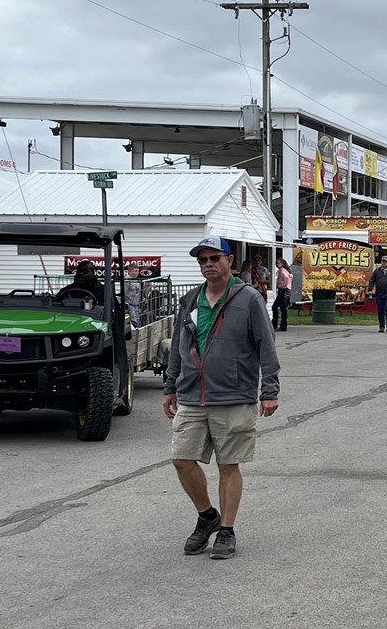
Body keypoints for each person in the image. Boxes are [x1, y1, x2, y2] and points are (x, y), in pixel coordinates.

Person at [163, 236, 280, 560]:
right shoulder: (189, 301)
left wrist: (269, 390)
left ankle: (226, 530)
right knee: (181, 459)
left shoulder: (249, 299)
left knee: (229, 465)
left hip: (234, 395)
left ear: (229, 260)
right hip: (191, 395)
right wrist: (170, 386)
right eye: (202, 260)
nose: (208, 264)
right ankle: (207, 515)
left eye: (215, 258)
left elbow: (266, 346)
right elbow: (177, 347)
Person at [271, 258, 292, 332]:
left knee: (276, 307)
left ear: (282, 264)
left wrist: (283, 285)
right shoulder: (286, 270)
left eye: (278, 263)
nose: (277, 265)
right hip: (286, 290)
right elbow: (289, 277)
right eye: (276, 263)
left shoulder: (281, 270)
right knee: (282, 308)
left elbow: (286, 278)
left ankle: (277, 324)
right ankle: (281, 325)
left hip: (283, 290)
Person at [124, 262, 142, 327]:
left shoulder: (136, 280)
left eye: (138, 271)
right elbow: (124, 291)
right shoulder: (127, 280)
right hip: (129, 303)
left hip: (136, 303)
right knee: (133, 319)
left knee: (137, 318)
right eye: (135, 271)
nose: (137, 273)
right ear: (130, 271)